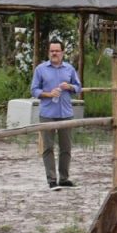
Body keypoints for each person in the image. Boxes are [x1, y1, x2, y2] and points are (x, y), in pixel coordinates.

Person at [30, 39, 83, 189]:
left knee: (66, 148)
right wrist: (48, 94)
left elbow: (79, 88)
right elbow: (34, 90)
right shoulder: (40, 69)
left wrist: (70, 86)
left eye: (57, 51)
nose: (54, 53)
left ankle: (64, 178)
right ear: (48, 52)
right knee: (48, 147)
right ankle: (52, 180)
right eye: (52, 51)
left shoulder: (69, 69)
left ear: (62, 53)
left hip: (66, 113)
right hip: (47, 113)